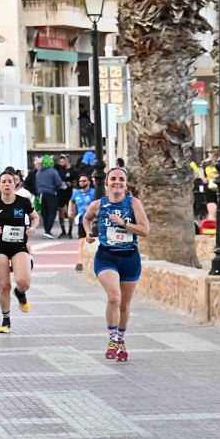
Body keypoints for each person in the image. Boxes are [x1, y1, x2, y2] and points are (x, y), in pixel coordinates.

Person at [83, 167, 150, 362]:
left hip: (130, 257)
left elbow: (145, 230)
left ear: (126, 183)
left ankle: (121, 340)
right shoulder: (98, 205)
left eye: (121, 179)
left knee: (125, 304)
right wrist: (88, 233)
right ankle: (112, 340)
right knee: (114, 297)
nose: (117, 182)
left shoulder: (133, 203)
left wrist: (124, 224)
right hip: (106, 256)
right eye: (113, 179)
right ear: (106, 182)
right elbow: (87, 218)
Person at [0, 171, 38, 333]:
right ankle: (6, 320)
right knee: (4, 285)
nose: (6, 184)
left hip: (19, 246)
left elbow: (35, 217)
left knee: (24, 281)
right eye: (3, 181)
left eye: (9, 181)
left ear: (15, 184)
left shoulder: (23, 202)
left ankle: (20, 293)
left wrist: (32, 228)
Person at [68, 174, 95, 272]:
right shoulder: (76, 193)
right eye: (80, 181)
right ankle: (80, 263)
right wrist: (70, 210)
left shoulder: (94, 192)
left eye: (84, 181)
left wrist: (92, 208)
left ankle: (93, 263)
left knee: (93, 242)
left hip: (93, 221)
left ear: (88, 182)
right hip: (81, 221)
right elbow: (71, 201)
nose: (82, 183)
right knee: (82, 242)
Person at [35, 155, 63, 239]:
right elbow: (59, 183)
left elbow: (36, 184)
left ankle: (46, 230)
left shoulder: (39, 172)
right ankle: (48, 231)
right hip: (51, 193)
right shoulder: (53, 171)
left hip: (40, 195)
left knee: (45, 213)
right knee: (52, 212)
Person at [56, 155, 75, 238]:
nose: (60, 163)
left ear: (67, 161)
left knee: (70, 213)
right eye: (59, 162)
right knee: (60, 212)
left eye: (62, 161)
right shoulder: (58, 170)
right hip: (60, 193)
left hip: (69, 193)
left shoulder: (72, 170)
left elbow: (76, 182)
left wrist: (69, 184)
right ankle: (63, 230)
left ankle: (70, 231)